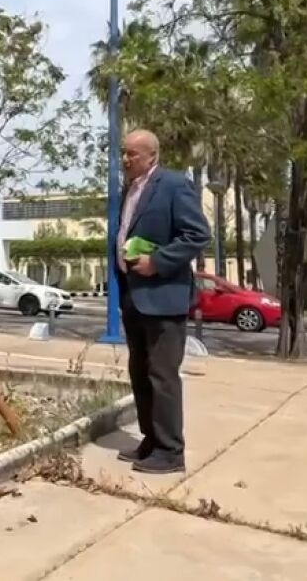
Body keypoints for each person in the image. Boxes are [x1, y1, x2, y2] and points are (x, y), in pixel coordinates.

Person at [115, 130, 210, 474]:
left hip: (164, 297)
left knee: (162, 374)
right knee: (139, 371)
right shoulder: (130, 189)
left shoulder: (173, 185)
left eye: (133, 154)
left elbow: (197, 234)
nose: (126, 159)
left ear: (152, 156)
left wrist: (157, 262)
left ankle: (171, 451)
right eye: (124, 153)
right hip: (133, 295)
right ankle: (151, 440)